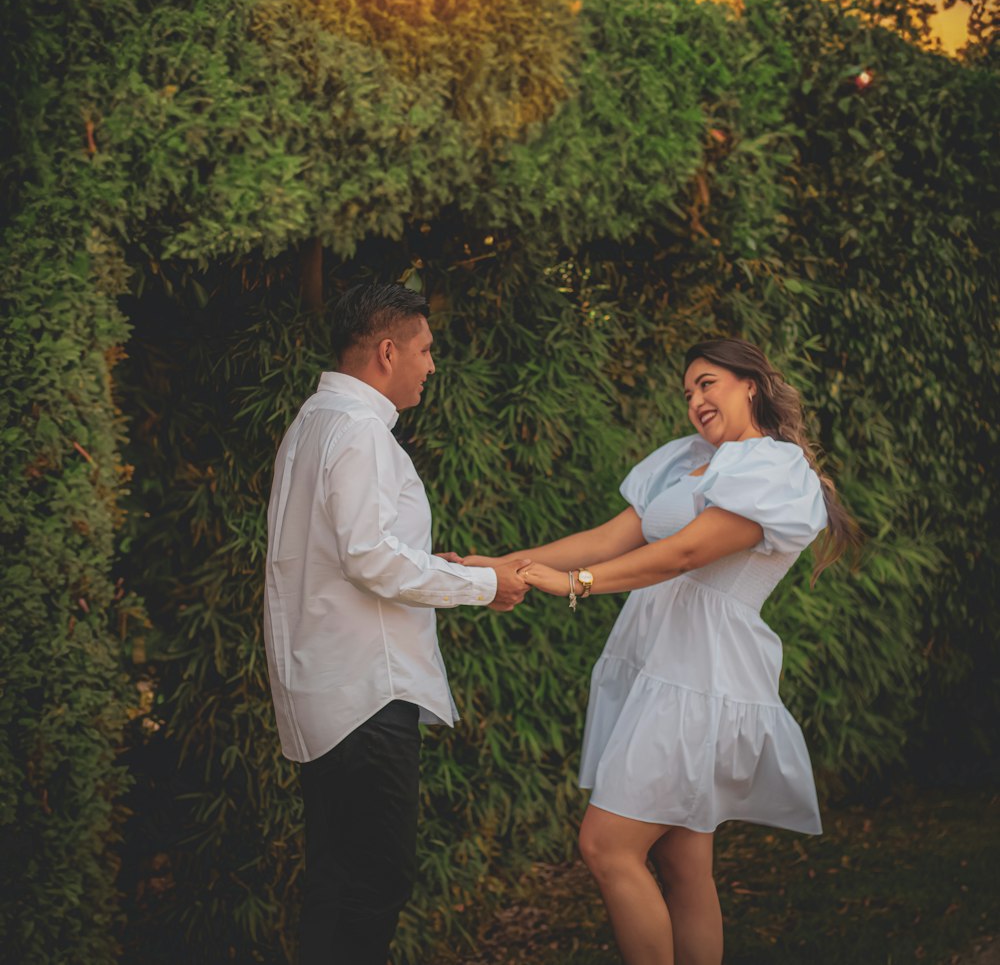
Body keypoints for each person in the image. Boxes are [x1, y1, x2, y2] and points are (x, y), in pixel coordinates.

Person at [464, 337, 862, 965]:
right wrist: (503, 565)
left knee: (606, 845)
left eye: (708, 383)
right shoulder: (686, 462)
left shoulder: (775, 469)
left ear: (749, 384)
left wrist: (574, 586)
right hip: (659, 664)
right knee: (682, 864)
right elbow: (607, 538)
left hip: (701, 675)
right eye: (687, 392)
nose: (695, 400)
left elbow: (684, 554)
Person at [262, 280, 527, 965]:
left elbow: (342, 552)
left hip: (325, 685)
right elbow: (370, 558)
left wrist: (420, 563)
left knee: (336, 880)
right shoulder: (357, 433)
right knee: (375, 882)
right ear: (387, 351)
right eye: (426, 349)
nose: (432, 366)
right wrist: (481, 583)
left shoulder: (310, 425)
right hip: (365, 692)